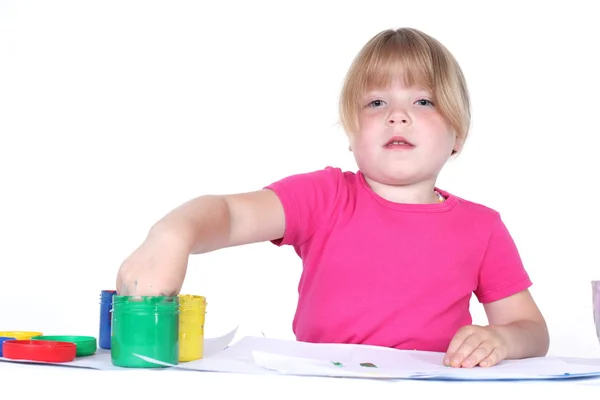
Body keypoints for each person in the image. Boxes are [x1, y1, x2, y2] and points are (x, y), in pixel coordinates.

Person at [116, 27, 549, 368]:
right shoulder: (324, 196)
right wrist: (172, 235)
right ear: (350, 134)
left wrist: (502, 340)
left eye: (422, 101)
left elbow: (530, 329)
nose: (397, 115)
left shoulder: (482, 226)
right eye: (376, 103)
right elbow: (229, 214)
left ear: (458, 136)